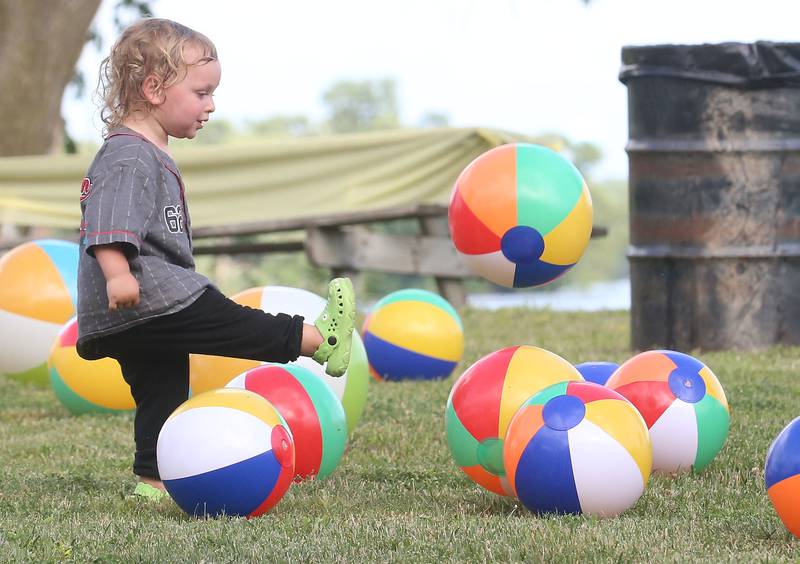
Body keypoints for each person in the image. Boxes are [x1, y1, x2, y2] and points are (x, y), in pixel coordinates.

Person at [75, 18, 355, 501]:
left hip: (135, 309)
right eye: (202, 93)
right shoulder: (130, 157)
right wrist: (118, 274)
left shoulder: (143, 151)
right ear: (155, 88)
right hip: (150, 296)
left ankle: (153, 481)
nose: (211, 106)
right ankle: (319, 340)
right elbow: (109, 220)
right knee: (233, 324)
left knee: (161, 389)